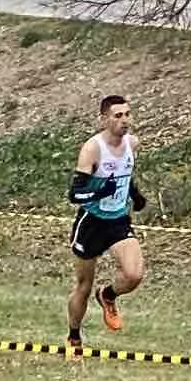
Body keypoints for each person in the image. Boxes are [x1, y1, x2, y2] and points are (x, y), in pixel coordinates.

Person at [66, 90, 149, 345]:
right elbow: (75, 195)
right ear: (104, 119)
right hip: (91, 221)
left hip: (118, 221)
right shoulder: (93, 148)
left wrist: (136, 196)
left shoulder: (132, 144)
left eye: (127, 114)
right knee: (83, 286)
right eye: (118, 116)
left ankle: (108, 295)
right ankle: (74, 337)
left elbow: (126, 175)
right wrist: (100, 190)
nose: (124, 120)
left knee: (134, 275)